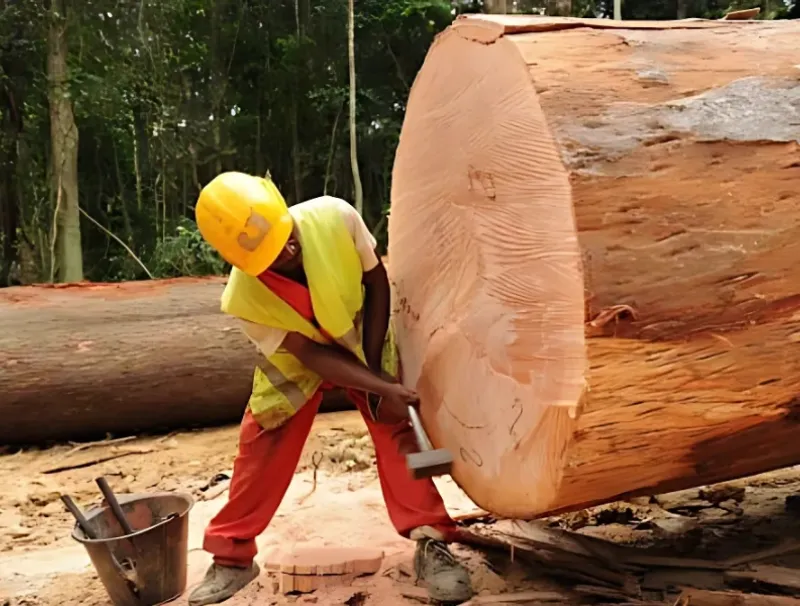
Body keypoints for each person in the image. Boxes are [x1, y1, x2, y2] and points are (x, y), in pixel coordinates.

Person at [189, 171, 473, 605]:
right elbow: (310, 354)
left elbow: (377, 283)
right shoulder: (242, 299)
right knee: (263, 438)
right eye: (272, 256)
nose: (287, 252)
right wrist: (369, 379)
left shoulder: (336, 217)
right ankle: (231, 558)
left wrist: (378, 374)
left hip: (363, 331)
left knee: (397, 426)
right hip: (299, 358)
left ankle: (431, 540)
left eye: (287, 239)